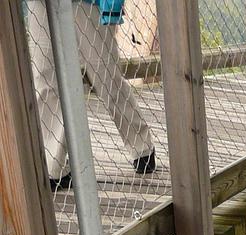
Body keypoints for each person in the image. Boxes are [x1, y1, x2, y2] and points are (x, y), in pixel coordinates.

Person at [25, 0, 156, 192]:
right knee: (45, 79)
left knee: (106, 77)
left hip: (88, 3)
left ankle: (142, 147)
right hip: (41, 4)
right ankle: (54, 167)